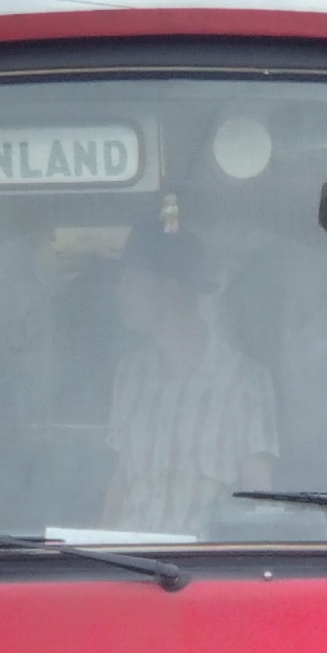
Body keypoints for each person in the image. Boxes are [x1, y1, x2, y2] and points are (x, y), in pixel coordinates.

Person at [101, 221, 279, 533]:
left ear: (168, 289)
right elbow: (121, 482)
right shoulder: (130, 374)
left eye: (131, 280)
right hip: (125, 557)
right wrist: (97, 548)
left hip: (200, 559)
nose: (120, 292)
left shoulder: (246, 382)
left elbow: (257, 498)